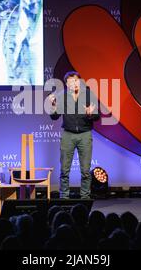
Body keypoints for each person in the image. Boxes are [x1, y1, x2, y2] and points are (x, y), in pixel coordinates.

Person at [48, 71, 100, 199]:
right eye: (71, 81)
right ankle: (64, 197)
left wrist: (90, 114)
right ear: (67, 84)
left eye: (76, 80)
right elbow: (54, 117)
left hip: (85, 135)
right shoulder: (62, 96)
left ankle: (85, 197)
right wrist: (53, 105)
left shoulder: (88, 95)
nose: (75, 83)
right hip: (68, 135)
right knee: (64, 170)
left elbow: (97, 116)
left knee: (85, 172)